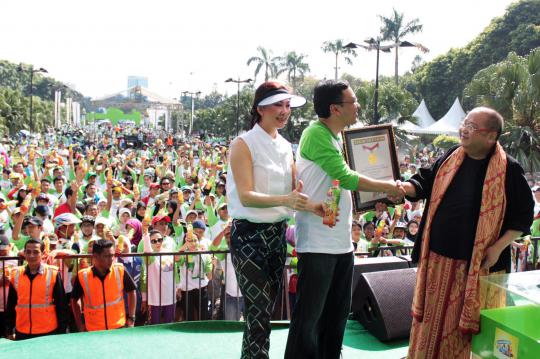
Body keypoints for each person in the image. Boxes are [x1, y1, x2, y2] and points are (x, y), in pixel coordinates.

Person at [398, 107, 534, 358]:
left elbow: (524, 215)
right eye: (464, 124)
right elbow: (423, 182)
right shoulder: (451, 156)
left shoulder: (509, 170)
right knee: (430, 324)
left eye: (472, 127)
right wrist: (402, 188)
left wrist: (497, 248)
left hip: (479, 266)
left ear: (491, 136)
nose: (463, 130)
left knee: (470, 335)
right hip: (438, 261)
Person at [285, 80, 405, 359]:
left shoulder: (336, 136)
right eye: (353, 101)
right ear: (335, 108)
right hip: (317, 244)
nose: (358, 106)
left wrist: (372, 200)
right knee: (310, 318)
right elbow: (348, 178)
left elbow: (336, 184)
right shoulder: (316, 134)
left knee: (337, 315)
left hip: (339, 243)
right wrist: (389, 186)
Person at [227, 81, 322, 359]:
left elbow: (295, 192)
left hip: (277, 236)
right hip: (248, 236)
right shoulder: (242, 144)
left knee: (265, 311)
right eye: (278, 104)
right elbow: (246, 196)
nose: (284, 111)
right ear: (260, 109)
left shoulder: (284, 146)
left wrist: (317, 207)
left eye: (287, 105)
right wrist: (286, 201)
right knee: (257, 311)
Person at [5, 239, 69, 340]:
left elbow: (62, 305)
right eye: (28, 252)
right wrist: (9, 330)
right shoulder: (15, 274)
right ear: (24, 253)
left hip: (47, 331)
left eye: (36, 252)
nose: (31, 255)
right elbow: (11, 304)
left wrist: (62, 331)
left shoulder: (53, 273)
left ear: (43, 254)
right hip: (22, 330)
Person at [70, 239, 137, 332]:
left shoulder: (120, 270)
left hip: (118, 327)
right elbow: (74, 300)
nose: (111, 259)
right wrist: (80, 325)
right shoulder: (83, 276)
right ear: (95, 257)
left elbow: (132, 291)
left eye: (112, 255)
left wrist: (131, 317)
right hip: (94, 330)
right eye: (107, 256)